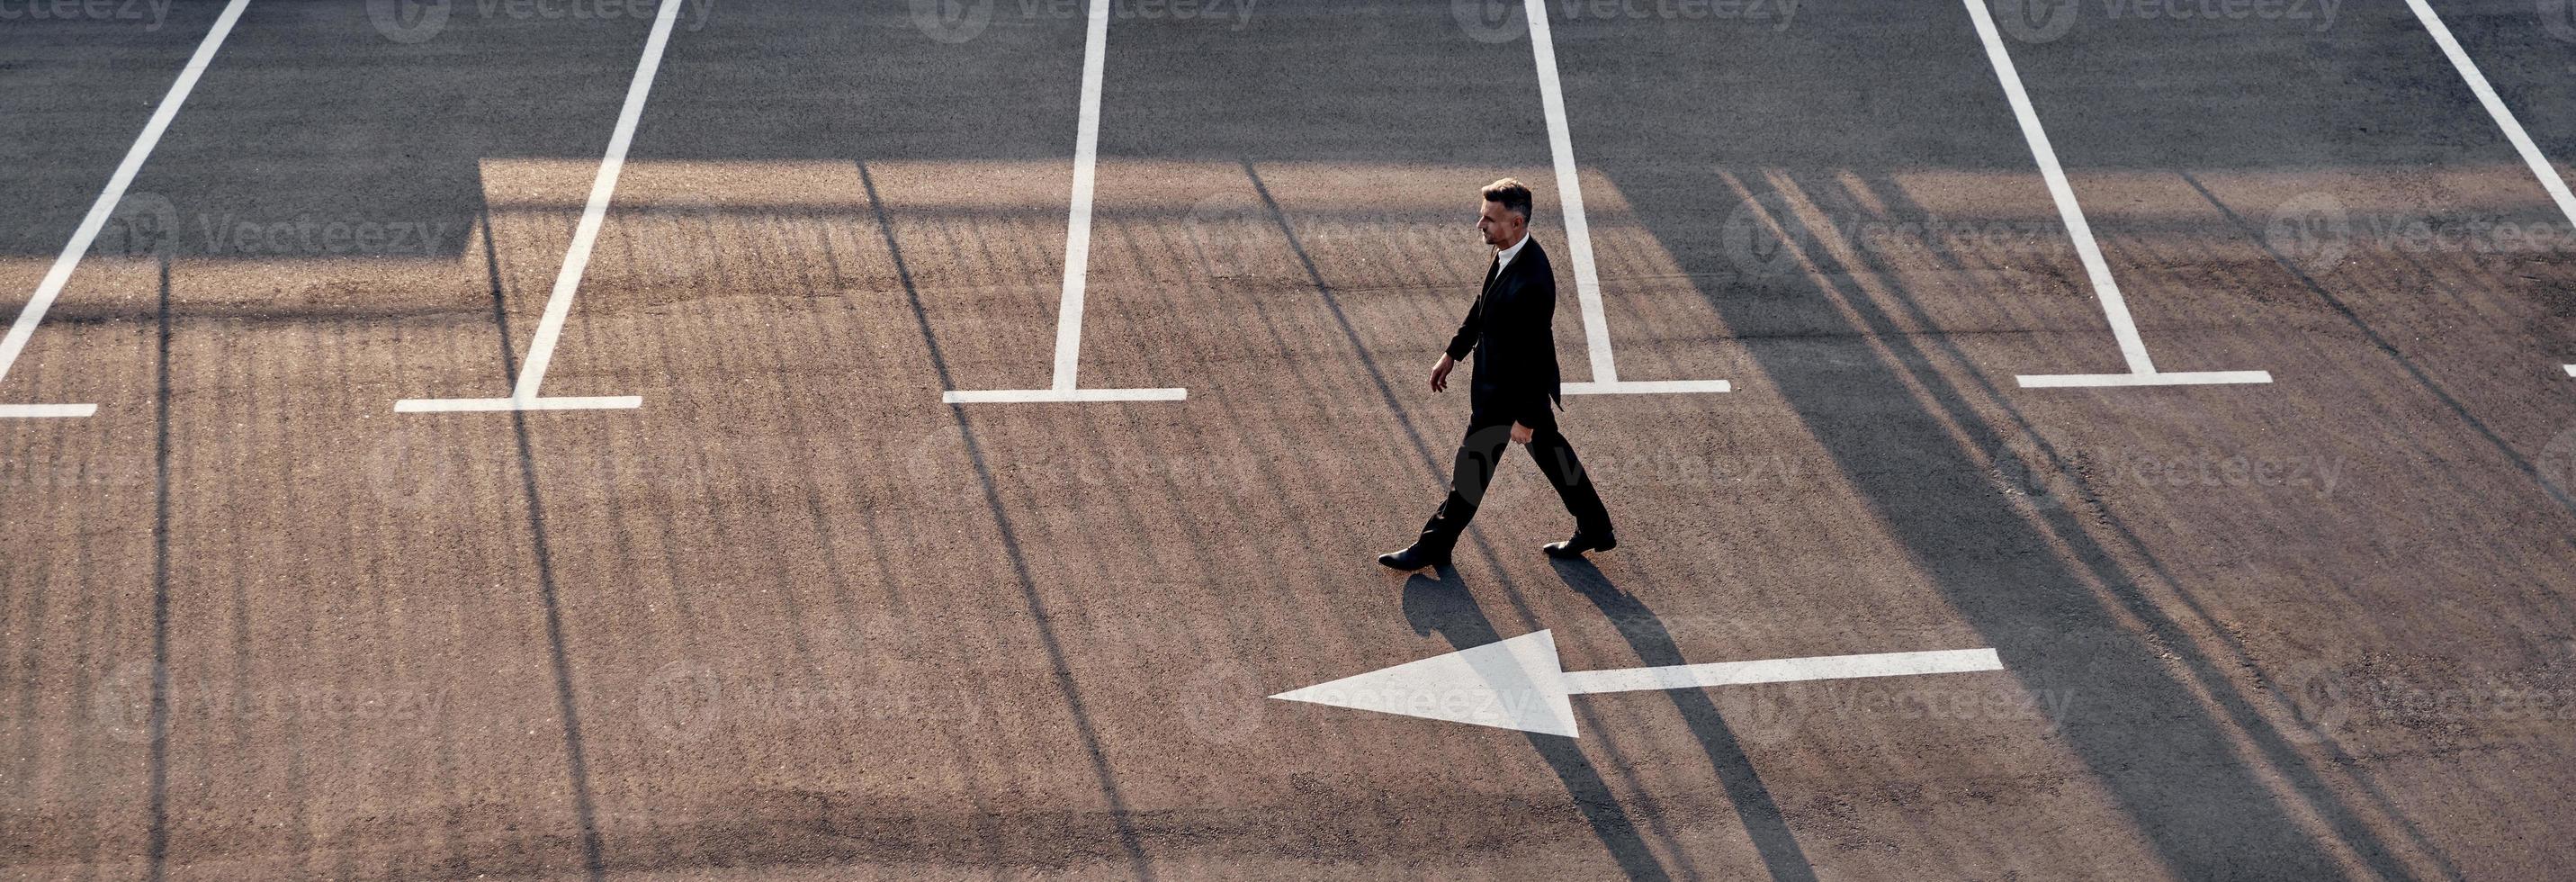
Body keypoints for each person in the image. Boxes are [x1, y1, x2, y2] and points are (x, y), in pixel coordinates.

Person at [1379, 178, 1615, 571]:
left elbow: (1535, 356)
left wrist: (1523, 418)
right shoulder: (1508, 253)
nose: (1480, 225)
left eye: (1490, 219)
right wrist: (1453, 352)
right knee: (1555, 457)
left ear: (1517, 223)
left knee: (1471, 470)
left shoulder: (1533, 281)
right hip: (1507, 388)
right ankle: (1595, 526)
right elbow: (1483, 306)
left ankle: (1435, 544)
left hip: (1510, 395)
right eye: (1482, 215)